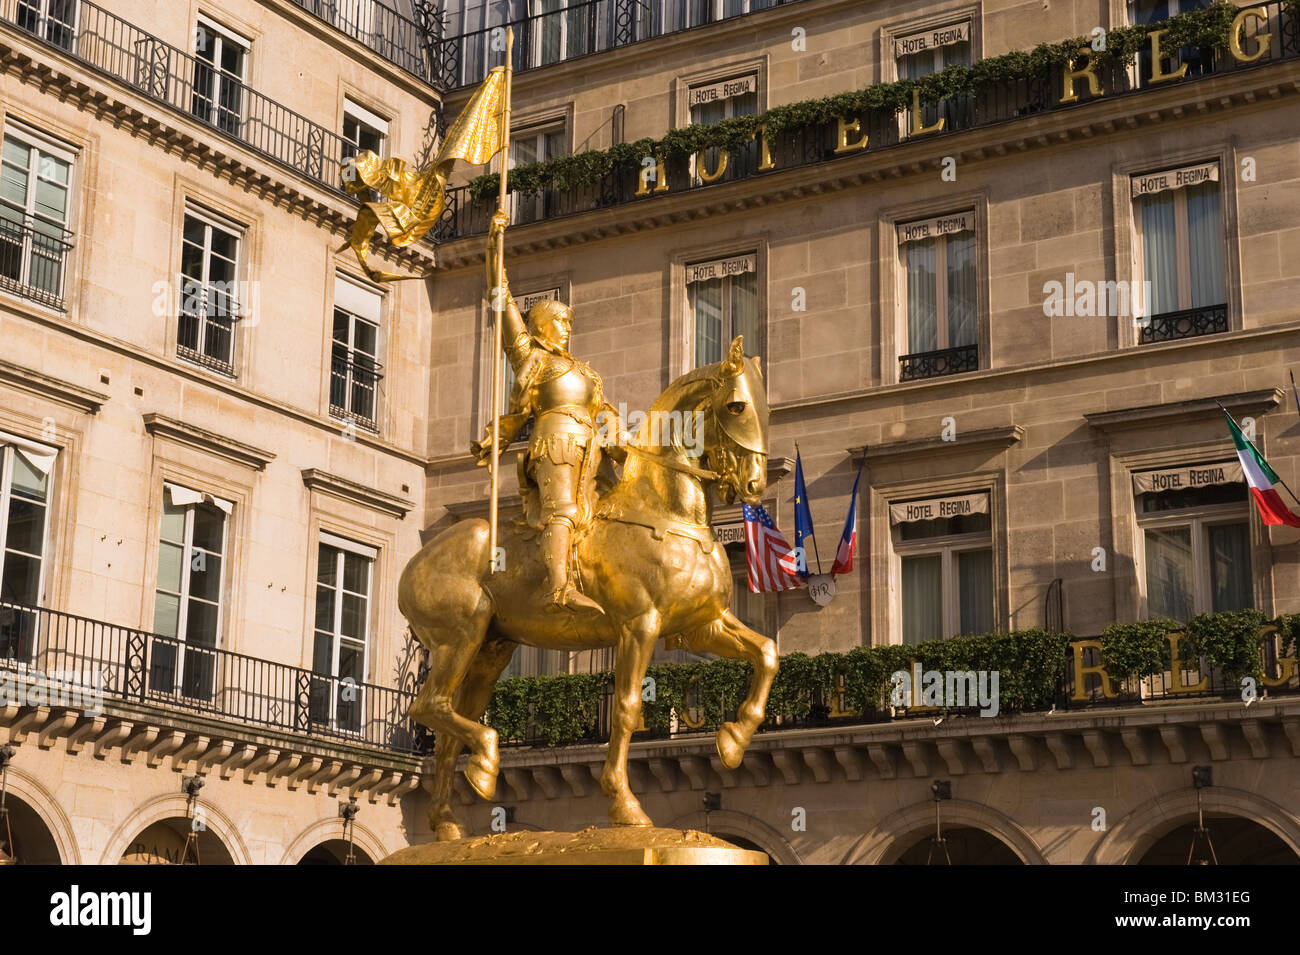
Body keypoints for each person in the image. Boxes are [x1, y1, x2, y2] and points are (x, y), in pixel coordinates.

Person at [473, 210, 626, 613]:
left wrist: (620, 439)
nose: (566, 328)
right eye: (558, 321)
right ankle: (558, 588)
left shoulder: (584, 369)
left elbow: (606, 410)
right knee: (563, 510)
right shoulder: (530, 356)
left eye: (569, 322)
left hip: (591, 448)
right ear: (540, 324)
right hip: (554, 444)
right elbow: (500, 298)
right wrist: (493, 246)